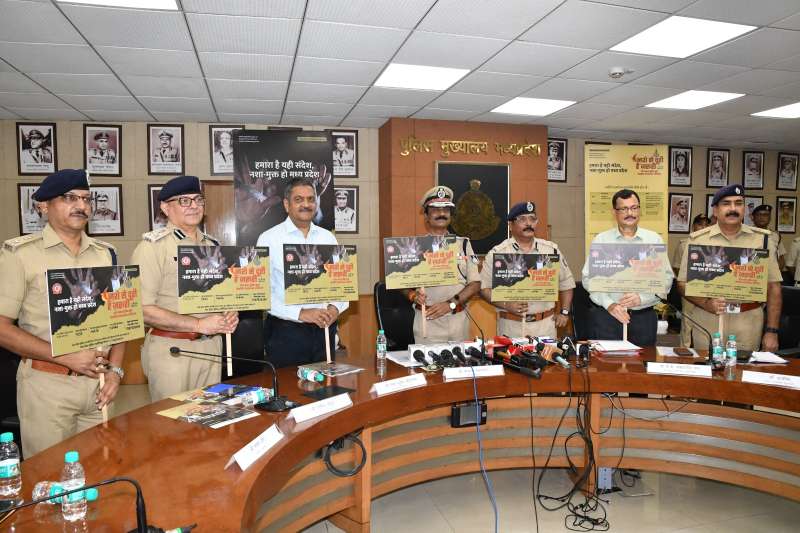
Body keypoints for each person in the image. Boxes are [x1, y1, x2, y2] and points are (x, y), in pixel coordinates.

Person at [0, 169, 124, 457]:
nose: (81, 205)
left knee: (100, 469)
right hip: (48, 386)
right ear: (43, 206)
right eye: (69, 198)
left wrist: (116, 372)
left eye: (86, 198)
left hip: (99, 385)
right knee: (51, 473)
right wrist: (63, 356)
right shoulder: (20, 255)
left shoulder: (106, 254)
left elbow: (122, 319)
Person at [131, 176, 238, 401]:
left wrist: (230, 312)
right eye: (184, 201)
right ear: (165, 208)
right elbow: (142, 309)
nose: (194, 206)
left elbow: (224, 295)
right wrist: (198, 324)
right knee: (171, 420)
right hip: (172, 350)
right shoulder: (152, 247)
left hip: (211, 348)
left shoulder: (213, 246)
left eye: (198, 200)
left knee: (210, 417)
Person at [256, 177, 349, 368]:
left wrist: (334, 308)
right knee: (289, 385)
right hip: (286, 333)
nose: (306, 204)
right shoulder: (268, 239)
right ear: (286, 204)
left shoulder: (328, 238)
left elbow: (341, 284)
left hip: (324, 331)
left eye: (311, 199)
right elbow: (261, 294)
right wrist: (301, 313)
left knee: (325, 384)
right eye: (298, 199)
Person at [677, 184, 782, 352]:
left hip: (748, 321)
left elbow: (774, 287)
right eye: (726, 203)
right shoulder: (698, 241)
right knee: (706, 366)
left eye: (738, 203)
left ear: (744, 209)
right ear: (715, 210)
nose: (733, 208)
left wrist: (772, 331)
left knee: (743, 367)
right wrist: (706, 303)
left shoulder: (762, 241)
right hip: (707, 318)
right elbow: (682, 284)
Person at [582, 189, 674, 347]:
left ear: (639, 210)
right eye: (624, 209)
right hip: (609, 317)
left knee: (643, 361)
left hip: (643, 319)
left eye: (634, 207)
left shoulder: (654, 239)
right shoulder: (602, 240)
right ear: (614, 212)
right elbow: (588, 279)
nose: (630, 213)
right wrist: (609, 304)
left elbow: (666, 279)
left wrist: (642, 298)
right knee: (608, 362)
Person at [480, 201, 575, 339]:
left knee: (548, 355)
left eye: (532, 219)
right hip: (511, 327)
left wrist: (565, 312)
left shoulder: (551, 251)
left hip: (545, 327)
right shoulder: (498, 253)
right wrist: (506, 304)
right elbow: (483, 288)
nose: (529, 223)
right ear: (510, 225)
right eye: (522, 219)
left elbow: (566, 283)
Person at [407, 186, 480, 344]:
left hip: (459, 322)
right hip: (427, 323)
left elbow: (475, 284)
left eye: (446, 210)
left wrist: (451, 303)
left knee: (461, 361)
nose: (442, 213)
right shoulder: (414, 246)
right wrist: (412, 295)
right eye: (435, 210)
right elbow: (398, 282)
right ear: (426, 215)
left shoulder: (464, 244)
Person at [671, 214, 711, 347]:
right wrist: (686, 282)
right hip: (689, 287)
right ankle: (685, 348)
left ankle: (704, 349)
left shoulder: (716, 243)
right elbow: (676, 267)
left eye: (706, 224)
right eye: (700, 224)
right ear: (693, 226)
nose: (703, 227)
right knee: (687, 320)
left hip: (709, 289)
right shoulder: (684, 244)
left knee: (707, 319)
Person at [751, 204, 786, 270]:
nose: (762, 217)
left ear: (770, 218)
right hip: (751, 273)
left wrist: (777, 272)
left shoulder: (776, 236)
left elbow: (781, 258)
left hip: (771, 274)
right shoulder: (746, 234)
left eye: (765, 215)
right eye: (758, 214)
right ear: (753, 217)